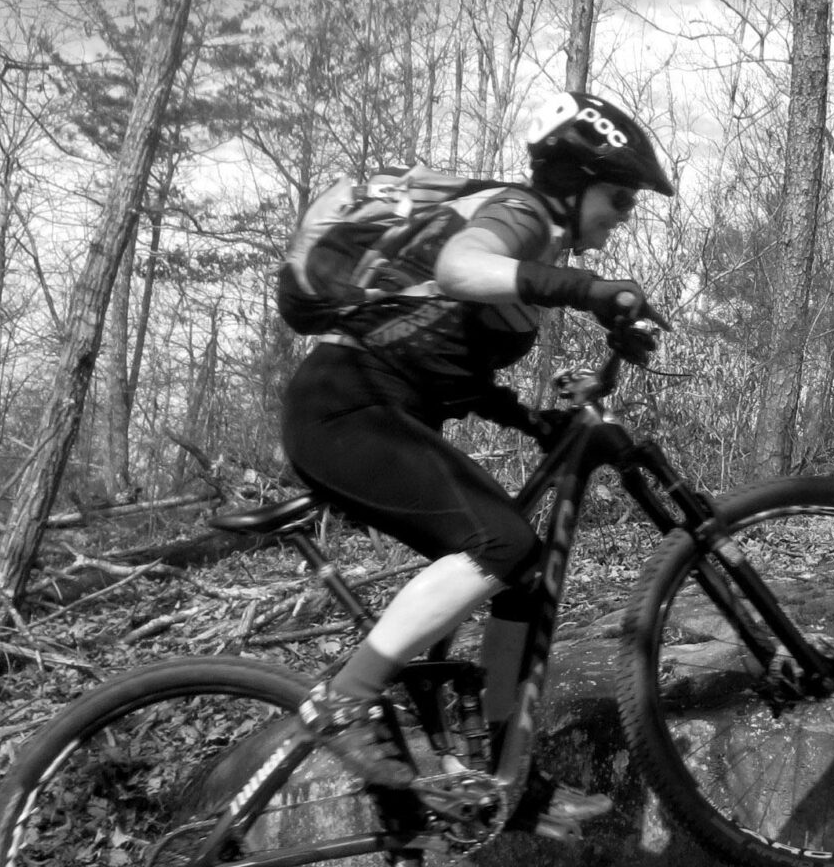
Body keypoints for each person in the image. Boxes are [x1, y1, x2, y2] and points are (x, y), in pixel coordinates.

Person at [278, 92, 672, 818]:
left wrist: (534, 416)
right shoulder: (524, 214)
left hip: (371, 405)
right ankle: (345, 702)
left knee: (520, 577)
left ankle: (504, 774)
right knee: (502, 542)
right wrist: (591, 292)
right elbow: (462, 269)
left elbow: (448, 364)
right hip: (343, 404)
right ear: (573, 181)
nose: (625, 213)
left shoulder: (537, 247)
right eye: (618, 195)